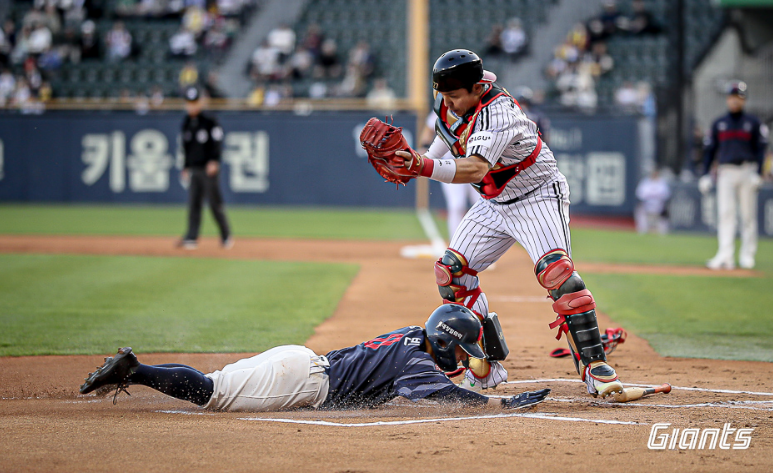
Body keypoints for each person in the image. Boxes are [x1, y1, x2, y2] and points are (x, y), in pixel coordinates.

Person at [391, 49, 625, 398]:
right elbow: (446, 136)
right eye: (443, 95)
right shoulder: (450, 103)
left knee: (557, 272)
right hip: (495, 202)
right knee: (452, 272)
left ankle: (595, 368)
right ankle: (485, 366)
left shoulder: (496, 112)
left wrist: (421, 168)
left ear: (476, 87)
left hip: (537, 194)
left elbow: (474, 168)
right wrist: (417, 161)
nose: (448, 103)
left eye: (454, 96)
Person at [79, 304, 550, 412]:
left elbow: (442, 373)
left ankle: (136, 369)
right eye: (461, 351)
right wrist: (499, 402)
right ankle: (136, 370)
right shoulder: (418, 365)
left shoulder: (413, 338)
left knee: (212, 383)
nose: (465, 360)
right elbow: (444, 393)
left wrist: (476, 375)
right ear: (445, 342)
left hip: (301, 363)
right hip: (303, 382)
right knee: (211, 393)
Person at [699, 81, 768, 270]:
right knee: (725, 214)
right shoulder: (719, 123)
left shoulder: (753, 123)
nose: (735, 101)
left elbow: (761, 149)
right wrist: (705, 174)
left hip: (747, 170)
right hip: (726, 171)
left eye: (739, 97)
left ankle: (747, 255)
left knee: (747, 215)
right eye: (733, 97)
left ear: (744, 100)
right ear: (728, 99)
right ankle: (725, 255)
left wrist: (759, 173)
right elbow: (710, 151)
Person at [177, 86, 232, 250]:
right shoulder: (186, 122)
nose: (191, 106)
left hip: (209, 169)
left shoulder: (210, 121)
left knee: (215, 204)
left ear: (200, 102)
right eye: (189, 103)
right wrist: (185, 167)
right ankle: (191, 237)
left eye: (194, 102)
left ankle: (226, 234)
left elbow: (217, 142)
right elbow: (185, 148)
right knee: (194, 203)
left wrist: (215, 160)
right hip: (194, 169)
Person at [419, 111, 479, 239]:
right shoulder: (445, 106)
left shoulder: (478, 106)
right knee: (457, 205)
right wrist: (424, 148)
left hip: (476, 164)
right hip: (452, 166)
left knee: (482, 204)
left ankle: (482, 246)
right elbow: (429, 128)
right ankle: (455, 245)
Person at [634, 168, 670, 234]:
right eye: (653, 173)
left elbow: (666, 195)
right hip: (647, 205)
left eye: (656, 173)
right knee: (639, 210)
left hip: (659, 206)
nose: (654, 174)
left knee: (665, 213)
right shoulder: (645, 182)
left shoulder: (662, 183)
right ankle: (642, 231)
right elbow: (639, 195)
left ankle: (663, 232)